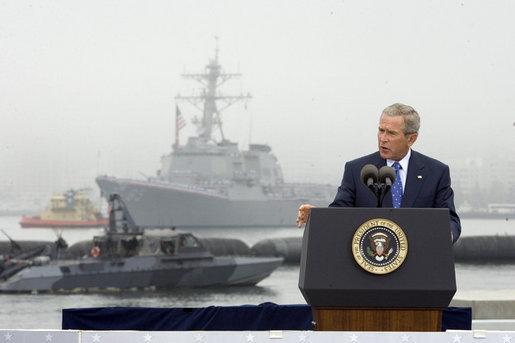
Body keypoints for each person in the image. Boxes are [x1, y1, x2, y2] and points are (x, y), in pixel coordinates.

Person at [296, 103, 461, 243]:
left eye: (391, 133)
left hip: (419, 267)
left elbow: (450, 220)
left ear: (411, 139)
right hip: (371, 266)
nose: (383, 138)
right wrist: (317, 216)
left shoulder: (436, 172)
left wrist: (447, 234)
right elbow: (340, 213)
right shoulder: (356, 170)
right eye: (381, 130)